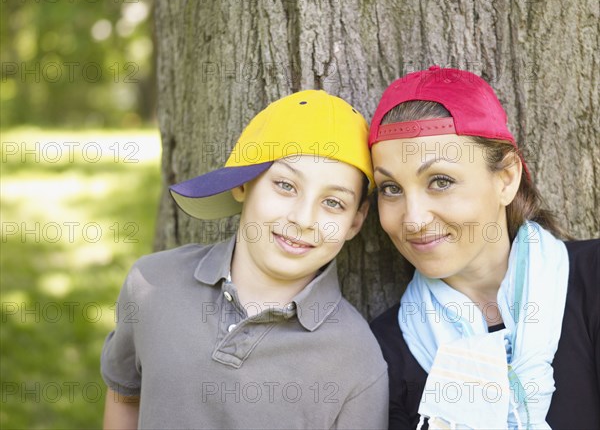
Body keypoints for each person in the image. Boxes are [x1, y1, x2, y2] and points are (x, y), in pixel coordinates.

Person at [100, 90, 389, 429]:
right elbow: (124, 396)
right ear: (243, 184)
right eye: (285, 186)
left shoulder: (357, 360)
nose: (303, 219)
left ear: (356, 220)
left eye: (334, 203)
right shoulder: (151, 285)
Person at [368, 66, 599, 429]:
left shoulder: (593, 282)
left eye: (440, 181)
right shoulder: (380, 353)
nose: (412, 219)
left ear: (506, 179)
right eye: (391, 188)